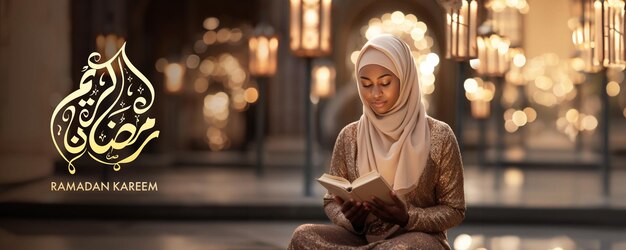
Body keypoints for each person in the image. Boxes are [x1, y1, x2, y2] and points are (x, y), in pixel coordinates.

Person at [288, 34, 465, 250]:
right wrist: (352, 220)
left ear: (405, 79)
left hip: (418, 239)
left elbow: (454, 209)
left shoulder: (439, 135)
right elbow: (330, 200)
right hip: (362, 238)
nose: (375, 94)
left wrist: (408, 217)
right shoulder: (349, 136)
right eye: (366, 84)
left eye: (385, 83)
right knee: (303, 235)